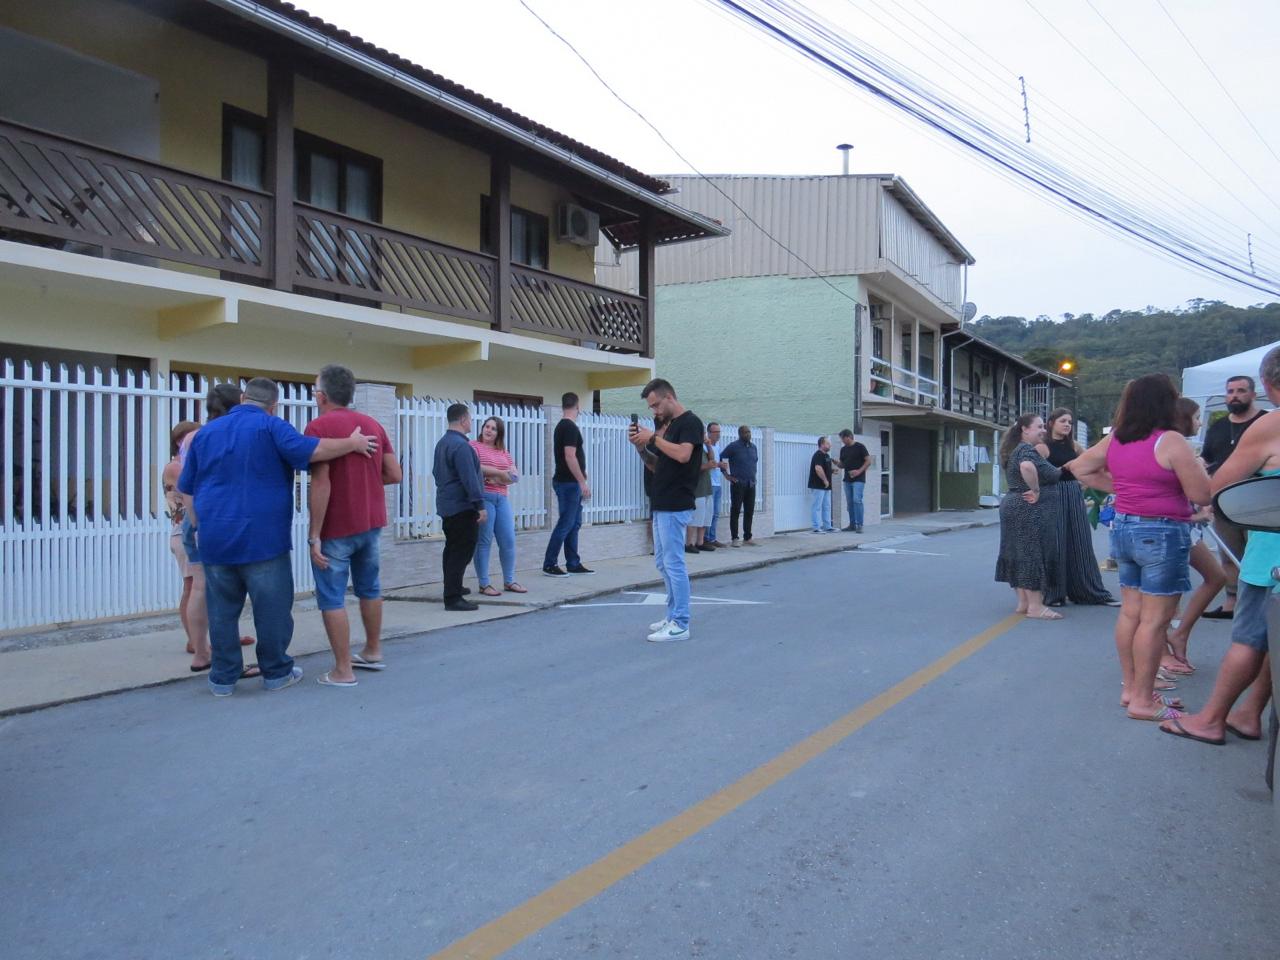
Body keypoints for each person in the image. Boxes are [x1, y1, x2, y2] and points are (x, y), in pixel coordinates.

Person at [179, 377, 378, 696]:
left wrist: (199, 526)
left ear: (243, 397)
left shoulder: (205, 434)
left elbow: (186, 489)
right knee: (271, 610)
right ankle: (275, 673)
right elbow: (315, 450)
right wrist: (352, 444)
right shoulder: (273, 427)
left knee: (222, 611)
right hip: (264, 539)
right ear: (274, 406)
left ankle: (223, 680)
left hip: (215, 538)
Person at [1065, 374, 1210, 721]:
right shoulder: (1171, 441)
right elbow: (1201, 495)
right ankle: (1145, 701)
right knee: (1156, 621)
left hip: (1125, 529)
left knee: (1131, 612)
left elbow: (1079, 467)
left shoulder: (1117, 439)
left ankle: (1131, 690)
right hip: (1161, 532)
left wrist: (1121, 485)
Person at [1159, 348, 1280, 746]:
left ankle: (1211, 719)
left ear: (1266, 385)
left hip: (1272, 549)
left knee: (1250, 638)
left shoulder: (1269, 426)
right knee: (1271, 637)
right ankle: (1249, 713)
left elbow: (1218, 485)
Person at [305, 364, 401, 687]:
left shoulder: (318, 427)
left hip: (336, 527)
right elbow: (395, 474)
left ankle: (343, 670)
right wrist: (365, 484)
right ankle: (373, 650)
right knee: (370, 587)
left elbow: (321, 483)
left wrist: (314, 535)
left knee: (332, 597)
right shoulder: (372, 424)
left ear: (321, 395)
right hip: (371, 523)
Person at [175, 383, 255, 667]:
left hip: (193, 516)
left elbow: (186, 482)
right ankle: (213, 652)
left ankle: (200, 653)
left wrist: (193, 522)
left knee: (198, 587)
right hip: (208, 518)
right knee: (220, 589)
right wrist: (199, 525)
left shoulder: (194, 436)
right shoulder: (222, 435)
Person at [629, 379, 703, 642]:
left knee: (674, 564)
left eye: (656, 405)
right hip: (661, 504)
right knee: (663, 562)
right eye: (651, 408)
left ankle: (681, 623)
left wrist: (654, 439)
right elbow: (657, 467)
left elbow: (683, 455)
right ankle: (673, 616)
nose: (655, 412)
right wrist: (641, 448)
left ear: (669, 397)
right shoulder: (670, 429)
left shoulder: (690, 423)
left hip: (676, 504)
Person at [1163, 397, 1226, 676]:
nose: (1200, 423)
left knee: (1216, 577)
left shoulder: (1181, 447)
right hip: (1173, 527)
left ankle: (1179, 633)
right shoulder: (1173, 446)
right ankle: (1163, 652)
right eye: (1197, 417)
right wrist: (1196, 514)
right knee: (1164, 594)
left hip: (1186, 528)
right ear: (1183, 418)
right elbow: (1166, 498)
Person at [1200, 375, 1267, 620]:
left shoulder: (1265, 422)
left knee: (1256, 554)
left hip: (1259, 501)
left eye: (1240, 390)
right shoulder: (1218, 427)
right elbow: (1207, 460)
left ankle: (1258, 604)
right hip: (1224, 501)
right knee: (1229, 553)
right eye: (1230, 391)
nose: (1234, 396)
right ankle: (1231, 601)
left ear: (1252, 394)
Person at [1037, 408, 1118, 607]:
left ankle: (1089, 592)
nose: (1067, 425)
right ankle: (1054, 593)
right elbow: (1036, 472)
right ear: (1052, 423)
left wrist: (1084, 483)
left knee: (1080, 541)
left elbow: (1095, 465)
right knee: (1055, 543)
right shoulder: (1042, 446)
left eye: (1070, 422)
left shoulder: (1074, 445)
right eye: (1063, 421)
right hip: (1052, 495)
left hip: (1073, 494)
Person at [994, 414, 1063, 620]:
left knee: (1017, 552)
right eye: (1039, 426)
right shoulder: (1026, 450)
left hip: (1012, 504)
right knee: (1031, 553)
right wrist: (1035, 489)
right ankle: (1035, 606)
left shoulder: (1014, 449)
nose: (1043, 430)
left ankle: (1024, 602)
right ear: (1025, 429)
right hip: (1025, 508)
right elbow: (1027, 467)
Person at [433, 403, 487, 611]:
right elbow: (469, 479)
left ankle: (452, 586)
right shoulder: (462, 446)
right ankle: (453, 597)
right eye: (470, 419)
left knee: (452, 548)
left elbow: (437, 473)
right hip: (462, 506)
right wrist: (479, 505)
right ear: (464, 419)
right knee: (462, 550)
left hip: (447, 504)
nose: (471, 422)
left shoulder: (443, 443)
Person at [162, 420, 204, 671]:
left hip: (183, 532)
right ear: (181, 441)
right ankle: (194, 641)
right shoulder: (176, 467)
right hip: (182, 533)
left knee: (194, 586)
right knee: (191, 587)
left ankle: (198, 639)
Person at [471, 415, 526, 597]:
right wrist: (502, 474)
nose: (488, 430)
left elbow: (516, 477)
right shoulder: (474, 446)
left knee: (508, 540)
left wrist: (496, 477)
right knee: (484, 541)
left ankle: (509, 581)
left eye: (493, 428)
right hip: (484, 497)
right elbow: (476, 468)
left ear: (498, 433)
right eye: (487, 426)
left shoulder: (503, 452)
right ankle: (484, 584)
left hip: (502, 498)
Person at [543, 392, 593, 577]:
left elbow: (571, 458)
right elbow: (569, 456)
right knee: (566, 522)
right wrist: (582, 482)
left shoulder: (562, 427)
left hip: (568, 481)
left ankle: (573, 562)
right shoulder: (569, 428)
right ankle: (550, 563)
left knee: (574, 523)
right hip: (568, 483)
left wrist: (581, 473)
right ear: (577, 406)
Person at [721, 425, 759, 546]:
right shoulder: (733, 447)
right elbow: (721, 457)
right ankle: (735, 538)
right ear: (740, 434)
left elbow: (754, 462)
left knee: (749, 511)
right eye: (745, 432)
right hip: (738, 483)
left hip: (751, 484)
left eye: (749, 432)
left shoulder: (754, 447)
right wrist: (727, 475)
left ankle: (747, 537)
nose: (748, 434)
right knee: (736, 510)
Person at [837, 428, 870, 533]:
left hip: (859, 479)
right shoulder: (843, 450)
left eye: (843, 439)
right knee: (850, 502)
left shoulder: (860, 447)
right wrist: (837, 464)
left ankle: (859, 524)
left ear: (848, 437)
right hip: (847, 479)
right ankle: (852, 525)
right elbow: (842, 465)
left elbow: (868, 461)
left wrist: (859, 471)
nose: (842, 441)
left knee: (857, 500)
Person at [686, 435, 713, 554]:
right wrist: (706, 466)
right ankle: (689, 543)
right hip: (697, 489)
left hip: (706, 487)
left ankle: (700, 542)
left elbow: (712, 459)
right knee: (695, 517)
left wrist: (709, 445)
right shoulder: (691, 450)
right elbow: (690, 468)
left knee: (705, 517)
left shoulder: (702, 449)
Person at [704, 422, 726, 545]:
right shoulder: (705, 447)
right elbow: (710, 462)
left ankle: (712, 537)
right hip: (710, 483)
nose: (718, 435)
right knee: (709, 512)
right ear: (709, 433)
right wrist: (718, 464)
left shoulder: (718, 447)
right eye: (715, 432)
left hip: (718, 483)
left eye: (719, 432)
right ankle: (706, 538)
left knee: (716, 512)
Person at [808, 436, 835, 533]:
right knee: (817, 506)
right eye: (828, 443)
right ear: (822, 444)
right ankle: (816, 527)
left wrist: (831, 471)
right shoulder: (818, 455)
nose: (830, 445)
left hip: (826, 486)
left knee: (827, 506)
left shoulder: (826, 456)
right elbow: (818, 468)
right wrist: (825, 480)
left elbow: (824, 468)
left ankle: (827, 526)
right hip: (818, 485)